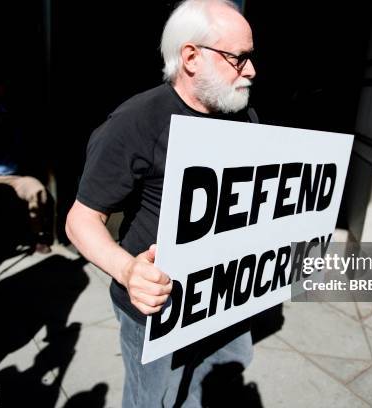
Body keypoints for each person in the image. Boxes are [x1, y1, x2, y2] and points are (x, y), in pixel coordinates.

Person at [65, 0, 257, 406]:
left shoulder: (243, 117)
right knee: (151, 397)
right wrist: (128, 269)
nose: (251, 71)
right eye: (239, 59)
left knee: (217, 376)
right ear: (191, 57)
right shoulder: (135, 122)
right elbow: (80, 220)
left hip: (222, 295)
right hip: (154, 306)